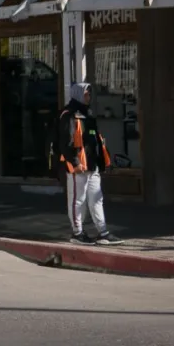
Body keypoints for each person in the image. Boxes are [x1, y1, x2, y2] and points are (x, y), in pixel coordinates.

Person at [59, 82, 123, 245]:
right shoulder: (69, 115)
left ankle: (102, 232)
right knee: (77, 200)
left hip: (92, 165)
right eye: (86, 94)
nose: (89, 97)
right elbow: (65, 142)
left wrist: (101, 162)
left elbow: (95, 141)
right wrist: (75, 162)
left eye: (89, 94)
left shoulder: (87, 114)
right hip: (78, 166)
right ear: (78, 94)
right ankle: (77, 233)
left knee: (96, 198)